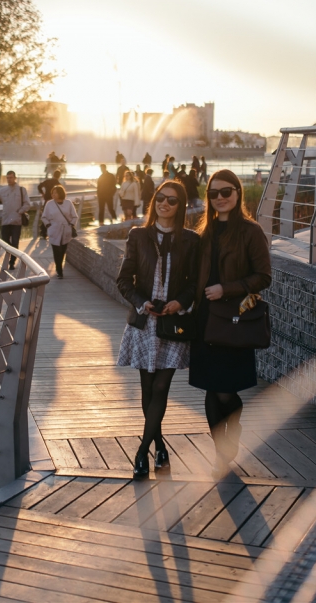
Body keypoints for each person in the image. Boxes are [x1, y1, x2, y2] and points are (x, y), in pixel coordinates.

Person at [190, 170, 271, 475]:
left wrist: (227, 288)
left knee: (226, 391)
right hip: (204, 320)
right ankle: (219, 454)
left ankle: (233, 429)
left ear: (238, 193)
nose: (220, 198)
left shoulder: (250, 232)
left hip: (233, 320)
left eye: (226, 192)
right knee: (211, 388)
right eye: (214, 193)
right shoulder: (205, 232)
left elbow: (264, 277)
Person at [116, 180, 199, 477]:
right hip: (144, 322)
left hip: (173, 323)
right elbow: (124, 280)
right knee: (148, 389)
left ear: (181, 206)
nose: (165, 203)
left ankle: (141, 452)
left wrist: (180, 302)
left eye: (172, 200)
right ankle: (160, 446)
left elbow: (194, 284)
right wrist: (142, 302)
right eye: (160, 198)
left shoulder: (190, 240)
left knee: (161, 387)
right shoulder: (138, 236)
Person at [0, 171, 31, 269]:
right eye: (8, 178)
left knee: (15, 242)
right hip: (5, 221)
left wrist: (20, 211)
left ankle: (12, 263)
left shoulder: (22, 190)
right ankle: (10, 253)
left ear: (15, 178)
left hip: (16, 221)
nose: (9, 179)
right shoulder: (3, 190)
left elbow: (27, 204)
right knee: (5, 241)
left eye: (11, 177)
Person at [41, 185, 78, 279]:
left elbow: (75, 216)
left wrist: (71, 225)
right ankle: (59, 270)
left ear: (60, 193)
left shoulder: (68, 203)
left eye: (55, 192)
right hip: (54, 230)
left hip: (66, 231)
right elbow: (44, 217)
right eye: (52, 193)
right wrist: (48, 225)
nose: (53, 194)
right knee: (56, 250)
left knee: (62, 251)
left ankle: (59, 267)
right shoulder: (49, 204)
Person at [37, 169, 63, 239]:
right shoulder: (58, 184)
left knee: (45, 216)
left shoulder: (48, 181)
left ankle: (43, 233)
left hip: (47, 201)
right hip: (55, 202)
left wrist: (42, 193)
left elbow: (39, 186)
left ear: (53, 174)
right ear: (59, 176)